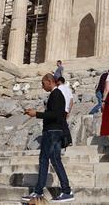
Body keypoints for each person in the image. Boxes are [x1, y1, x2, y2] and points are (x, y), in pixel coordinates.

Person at [22, 74, 74, 202]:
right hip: (51, 132)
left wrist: (36, 114)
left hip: (53, 132)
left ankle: (65, 191)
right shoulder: (55, 94)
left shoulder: (56, 94)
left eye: (43, 83)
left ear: (49, 81)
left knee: (51, 160)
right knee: (47, 160)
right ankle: (39, 191)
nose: (42, 86)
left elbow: (55, 115)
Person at [56, 77, 74, 147]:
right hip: (66, 110)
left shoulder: (59, 88)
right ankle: (66, 142)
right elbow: (71, 101)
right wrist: (69, 111)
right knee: (63, 125)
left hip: (60, 109)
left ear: (59, 81)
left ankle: (67, 141)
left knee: (62, 126)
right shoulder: (68, 89)